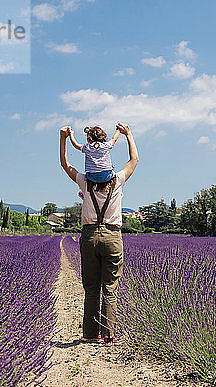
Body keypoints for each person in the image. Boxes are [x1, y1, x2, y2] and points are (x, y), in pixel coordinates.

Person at [59, 122, 138, 344]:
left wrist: (64, 138)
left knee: (91, 288)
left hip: (89, 236)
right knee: (109, 289)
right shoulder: (118, 180)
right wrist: (128, 135)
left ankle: (90, 334)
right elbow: (134, 161)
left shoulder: (84, 181)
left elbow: (65, 164)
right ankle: (109, 335)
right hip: (113, 237)